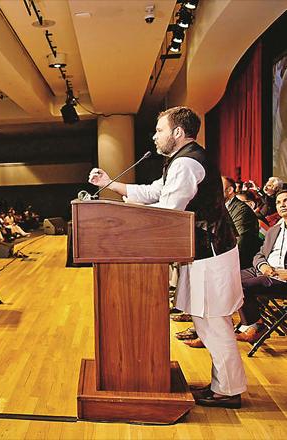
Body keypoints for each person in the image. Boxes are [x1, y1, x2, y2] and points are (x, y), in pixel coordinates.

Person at [88, 106, 246, 408]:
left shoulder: (186, 163)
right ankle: (224, 386)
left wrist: (126, 221)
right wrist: (109, 184)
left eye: (159, 130)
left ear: (177, 132)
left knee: (213, 323)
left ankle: (228, 391)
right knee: (208, 322)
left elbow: (170, 210)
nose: (154, 136)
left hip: (210, 253)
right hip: (204, 253)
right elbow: (153, 192)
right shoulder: (181, 161)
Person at [236, 190, 287, 342]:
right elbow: (259, 255)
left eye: (285, 201)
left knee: (240, 285)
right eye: (278, 202)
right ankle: (253, 323)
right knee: (225, 279)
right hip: (265, 271)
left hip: (281, 277)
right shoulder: (274, 230)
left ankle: (255, 326)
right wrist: (263, 266)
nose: (282, 205)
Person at [222, 176, 262, 269]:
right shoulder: (219, 207)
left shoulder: (241, 210)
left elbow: (240, 242)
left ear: (229, 190)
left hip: (239, 265)